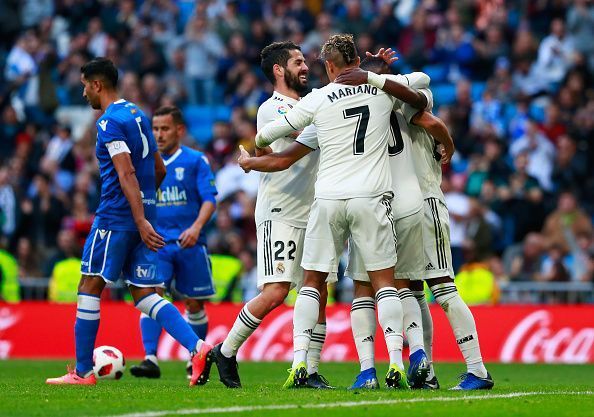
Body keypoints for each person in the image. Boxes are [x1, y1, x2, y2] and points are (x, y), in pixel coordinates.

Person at [253, 34, 428, 389]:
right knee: (384, 283)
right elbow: (421, 84)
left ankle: (300, 362)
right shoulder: (381, 91)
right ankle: (395, 362)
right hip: (371, 197)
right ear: (356, 62)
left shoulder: (318, 98)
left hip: (328, 200)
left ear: (329, 66)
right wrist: (376, 76)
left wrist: (253, 149)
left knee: (312, 282)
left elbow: (269, 135)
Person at [46, 58, 212, 386]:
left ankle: (82, 372)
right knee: (144, 294)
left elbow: (126, 171)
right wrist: (146, 213)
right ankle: (198, 346)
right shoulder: (137, 115)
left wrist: (137, 219)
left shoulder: (110, 122)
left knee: (89, 285)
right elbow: (159, 169)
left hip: (116, 218)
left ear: (97, 84)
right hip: (142, 219)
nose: (83, 93)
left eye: (84, 85)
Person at [208, 41, 333, 390]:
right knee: (277, 291)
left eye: (305, 60)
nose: (305, 66)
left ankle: (308, 369)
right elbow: (293, 142)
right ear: (279, 70)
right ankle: (226, 350)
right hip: (281, 210)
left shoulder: (311, 103)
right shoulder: (271, 109)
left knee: (318, 290)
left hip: (315, 209)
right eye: (297, 62)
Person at [130, 105, 217, 379]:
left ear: (179, 130)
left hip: (191, 243)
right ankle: (150, 358)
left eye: (164, 128)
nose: (159, 134)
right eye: (154, 129)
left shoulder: (195, 161)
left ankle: (195, 359)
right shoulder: (145, 164)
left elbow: (210, 200)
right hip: (158, 245)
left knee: (194, 303)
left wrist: (196, 227)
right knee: (152, 295)